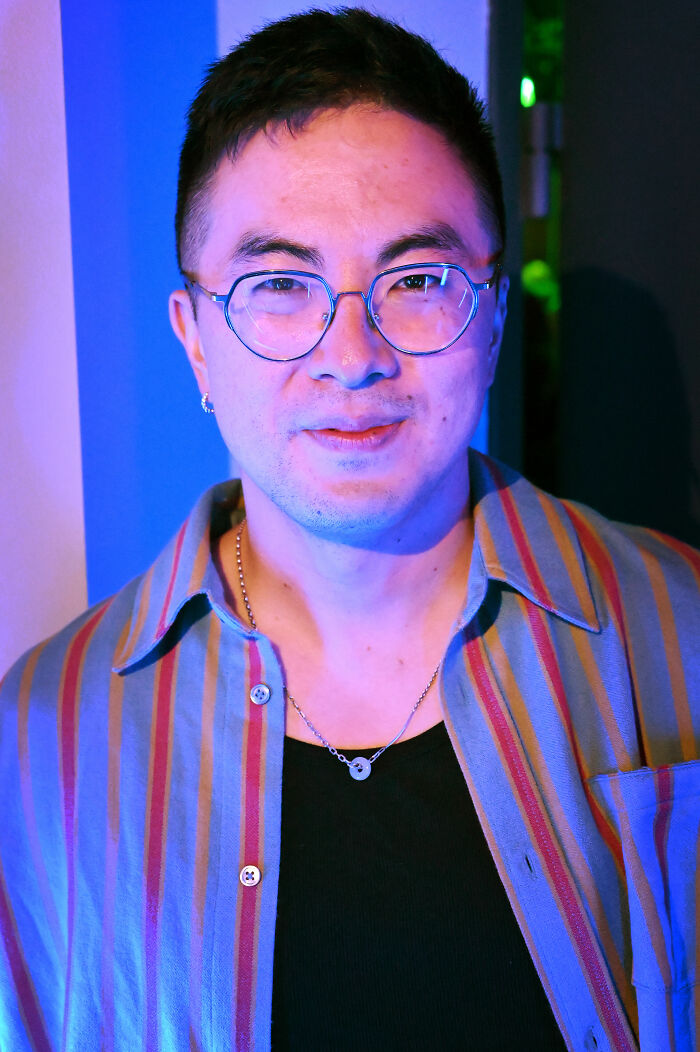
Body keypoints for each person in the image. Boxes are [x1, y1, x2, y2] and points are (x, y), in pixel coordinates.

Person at [1, 8, 698, 1051]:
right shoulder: (40, 740)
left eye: (416, 280)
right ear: (195, 341)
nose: (352, 353)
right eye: (281, 285)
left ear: (494, 314)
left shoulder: (677, 634)